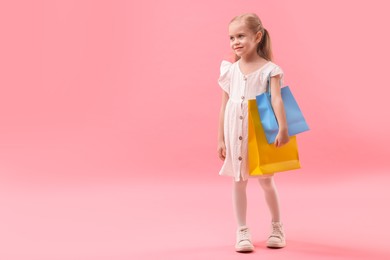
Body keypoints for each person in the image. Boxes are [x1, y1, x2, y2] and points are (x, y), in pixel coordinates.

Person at [217, 13, 289, 252]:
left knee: (267, 180)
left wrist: (283, 128)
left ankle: (277, 226)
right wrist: (220, 138)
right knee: (239, 179)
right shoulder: (230, 70)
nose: (235, 42)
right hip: (234, 128)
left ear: (257, 37)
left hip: (261, 126)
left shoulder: (270, 70)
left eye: (241, 36)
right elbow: (224, 105)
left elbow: (277, 100)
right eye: (231, 37)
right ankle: (242, 230)